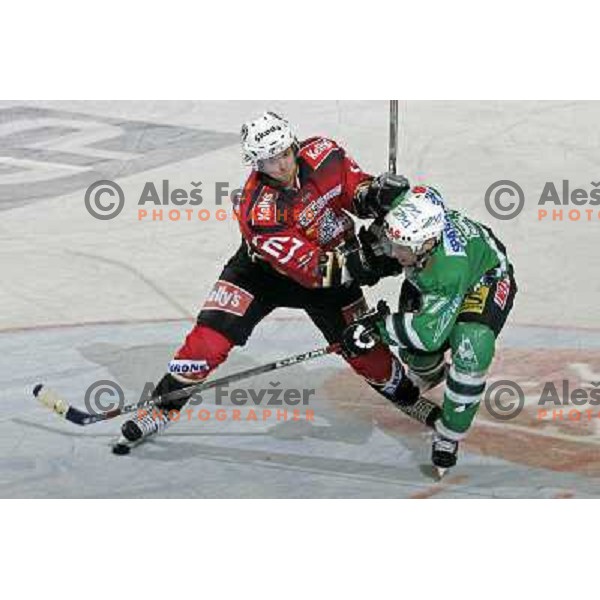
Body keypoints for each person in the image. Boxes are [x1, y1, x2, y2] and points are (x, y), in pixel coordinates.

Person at [119, 111, 428, 445]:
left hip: (335, 267)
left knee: (364, 347)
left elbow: (354, 191)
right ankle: (164, 406)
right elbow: (315, 270)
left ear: (293, 144)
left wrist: (374, 195)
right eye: (269, 161)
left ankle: (410, 398)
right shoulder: (259, 211)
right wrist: (371, 260)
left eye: (284, 153)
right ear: (255, 164)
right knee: (208, 339)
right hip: (263, 276)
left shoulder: (325, 154)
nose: (281, 165)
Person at [341, 184, 517, 474]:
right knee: (420, 360)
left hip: (483, 280)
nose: (394, 252)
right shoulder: (415, 218)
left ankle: (450, 433)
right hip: (433, 278)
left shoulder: (447, 270)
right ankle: (430, 374)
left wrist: (375, 327)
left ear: (424, 244)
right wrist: (377, 193)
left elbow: (427, 334)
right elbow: (414, 191)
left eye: (401, 248)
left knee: (471, 345)